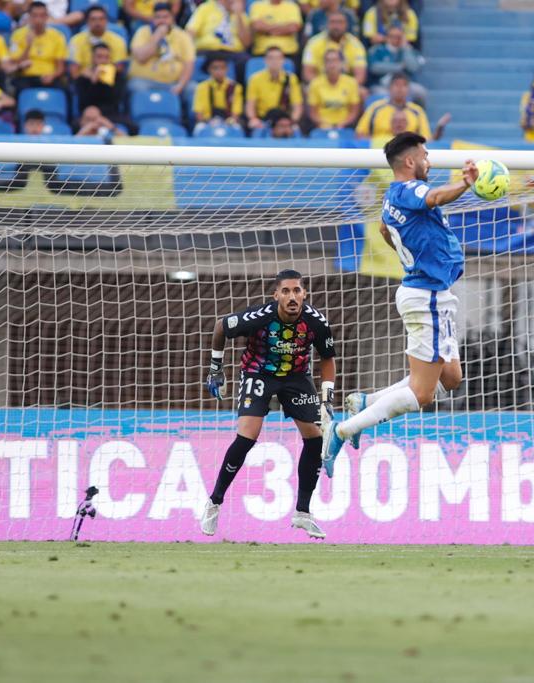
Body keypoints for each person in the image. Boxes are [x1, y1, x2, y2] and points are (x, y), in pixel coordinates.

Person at [323, 132, 477, 473]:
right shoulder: (411, 189)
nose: (429, 160)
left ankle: (367, 402)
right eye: (424, 155)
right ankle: (344, 428)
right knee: (423, 394)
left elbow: (382, 229)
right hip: (428, 298)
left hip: (431, 294)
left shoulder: (392, 197)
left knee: (451, 378)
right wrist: (465, 183)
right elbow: (435, 196)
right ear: (409, 162)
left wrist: (413, 257)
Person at [202, 270, 337, 539]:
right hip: (258, 373)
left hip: (297, 378)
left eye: (296, 290)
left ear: (304, 294)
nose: (291, 296)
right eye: (285, 291)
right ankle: (214, 502)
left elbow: (327, 358)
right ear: (276, 295)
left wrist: (326, 397)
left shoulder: (316, 322)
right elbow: (220, 327)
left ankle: (302, 513)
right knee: (247, 437)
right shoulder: (259, 317)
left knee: (315, 439)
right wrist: (216, 368)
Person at [128, 3, 196, 103]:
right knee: (136, 86)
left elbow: (188, 64)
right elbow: (141, 57)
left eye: (165, 17)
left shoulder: (183, 36)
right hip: (146, 82)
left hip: (174, 83)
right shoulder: (142, 32)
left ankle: (197, 119)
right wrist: (158, 35)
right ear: (153, 19)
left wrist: (180, 86)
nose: (161, 21)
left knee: (193, 88)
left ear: (172, 18)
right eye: (157, 17)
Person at [356, 72, 438, 139]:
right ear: (389, 88)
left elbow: (426, 139)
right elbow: (360, 135)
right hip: (379, 151)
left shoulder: (417, 111)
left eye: (404, 85)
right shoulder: (375, 108)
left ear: (408, 89)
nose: (400, 88)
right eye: (396, 85)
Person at [9, 1, 67, 91]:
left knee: (64, 90)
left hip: (49, 76)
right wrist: (28, 46)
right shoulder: (17, 35)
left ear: (47, 17)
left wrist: (52, 76)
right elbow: (15, 64)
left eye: (42, 16)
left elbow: (60, 67)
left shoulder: (57, 36)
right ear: (29, 17)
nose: (38, 20)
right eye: (34, 16)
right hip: (26, 77)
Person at [245, 46, 303, 131]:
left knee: (294, 130)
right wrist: (253, 119)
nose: (274, 61)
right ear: (265, 60)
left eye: (278, 58)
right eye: (271, 58)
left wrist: (293, 121)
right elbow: (250, 105)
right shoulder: (255, 79)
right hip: (263, 120)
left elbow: (297, 106)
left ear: (283, 60)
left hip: (283, 120)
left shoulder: (291, 79)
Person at [302, 10, 367, 85]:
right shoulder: (314, 42)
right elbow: (308, 73)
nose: (336, 26)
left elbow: (360, 76)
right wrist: (323, 89)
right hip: (320, 88)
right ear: (327, 24)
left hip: (346, 89)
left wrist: (345, 89)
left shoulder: (355, 44)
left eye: (340, 22)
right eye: (333, 22)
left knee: (362, 92)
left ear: (346, 24)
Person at [367, 23, 424, 100]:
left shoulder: (408, 50)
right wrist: (400, 67)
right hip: (382, 85)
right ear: (386, 37)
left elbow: (413, 67)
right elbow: (374, 67)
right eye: (392, 36)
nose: (395, 39)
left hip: (405, 85)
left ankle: (416, 112)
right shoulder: (377, 50)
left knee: (420, 92)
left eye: (398, 37)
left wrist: (405, 48)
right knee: (383, 95)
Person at [306, 48, 361, 130]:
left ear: (341, 63)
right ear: (324, 65)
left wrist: (343, 124)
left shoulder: (351, 83)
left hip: (345, 126)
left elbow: (353, 111)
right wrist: (323, 124)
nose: (332, 64)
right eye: (328, 61)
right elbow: (313, 113)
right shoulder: (315, 84)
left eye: (335, 60)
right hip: (322, 126)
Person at [68, 6, 128, 78]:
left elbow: (119, 69)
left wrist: (101, 74)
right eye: (93, 19)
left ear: (106, 21)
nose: (97, 22)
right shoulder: (76, 41)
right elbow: (74, 71)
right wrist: (91, 75)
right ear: (87, 22)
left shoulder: (118, 41)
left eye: (101, 19)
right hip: (84, 80)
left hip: (110, 79)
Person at [192, 54, 243, 130]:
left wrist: (228, 122)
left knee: (237, 128)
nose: (219, 71)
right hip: (207, 122)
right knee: (199, 128)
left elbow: (236, 113)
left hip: (229, 122)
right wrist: (208, 122)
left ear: (227, 69)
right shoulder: (202, 87)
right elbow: (198, 112)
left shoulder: (236, 87)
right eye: (215, 68)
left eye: (222, 68)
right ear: (209, 69)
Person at [186, 0, 251, 56]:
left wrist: (239, 16)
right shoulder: (205, 8)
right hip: (208, 51)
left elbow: (247, 43)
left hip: (233, 53)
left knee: (244, 60)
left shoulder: (242, 15)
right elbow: (190, 32)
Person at [74, 43, 122, 117]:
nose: (103, 60)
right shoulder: (83, 77)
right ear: (92, 58)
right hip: (89, 115)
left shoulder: (117, 76)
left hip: (110, 115)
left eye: (107, 57)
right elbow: (84, 103)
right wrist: (94, 81)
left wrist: (105, 81)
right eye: (99, 57)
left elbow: (115, 102)